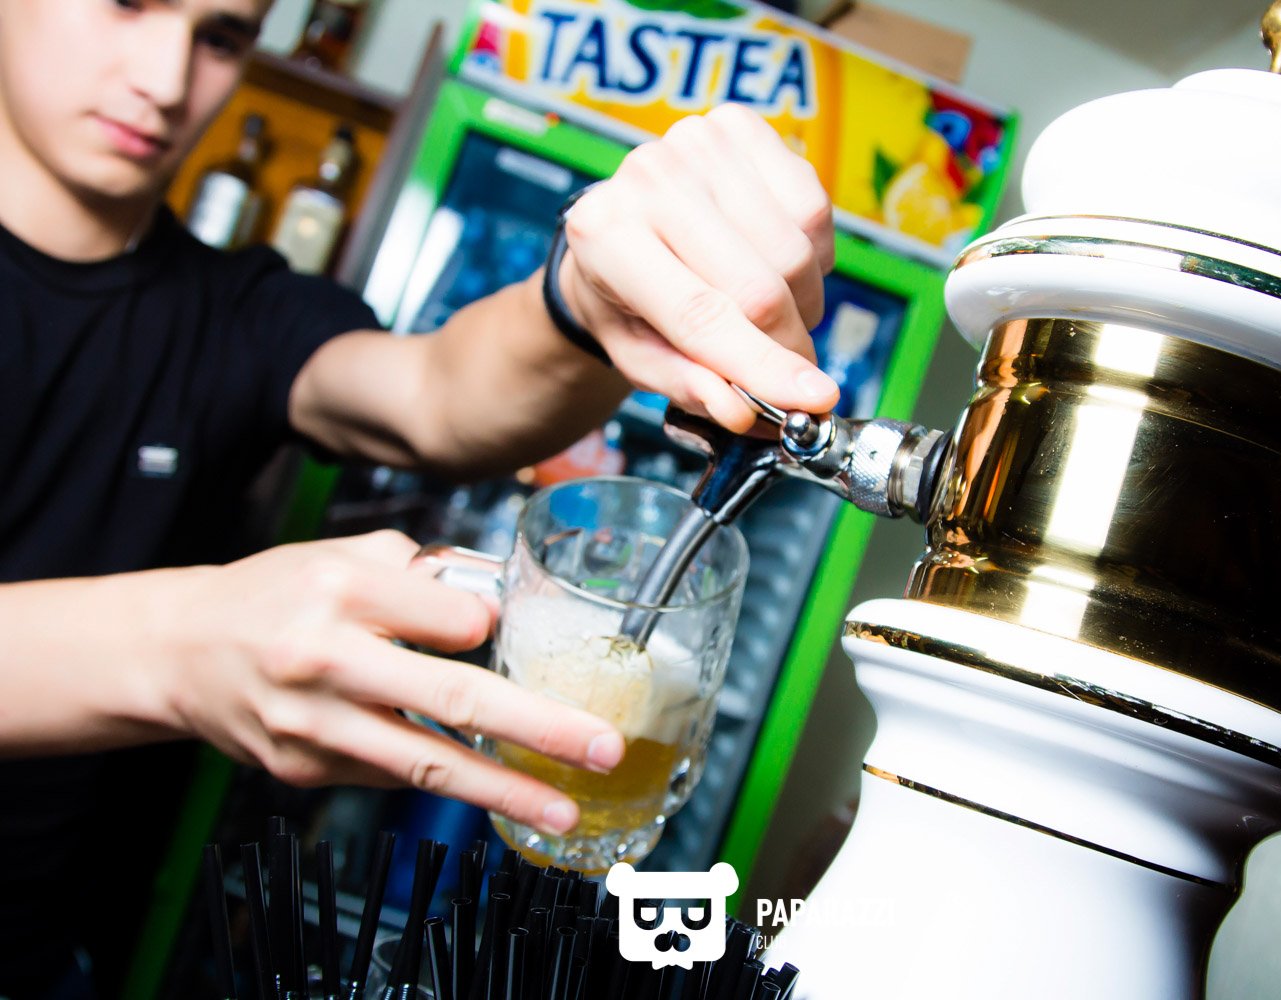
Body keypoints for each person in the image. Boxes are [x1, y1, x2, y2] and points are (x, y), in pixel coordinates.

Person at [0, 0, 841, 994]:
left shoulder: (233, 308)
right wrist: (173, 645)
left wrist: (584, 297)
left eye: (221, 35)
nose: (165, 78)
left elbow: (432, 396)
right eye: (126, 2)